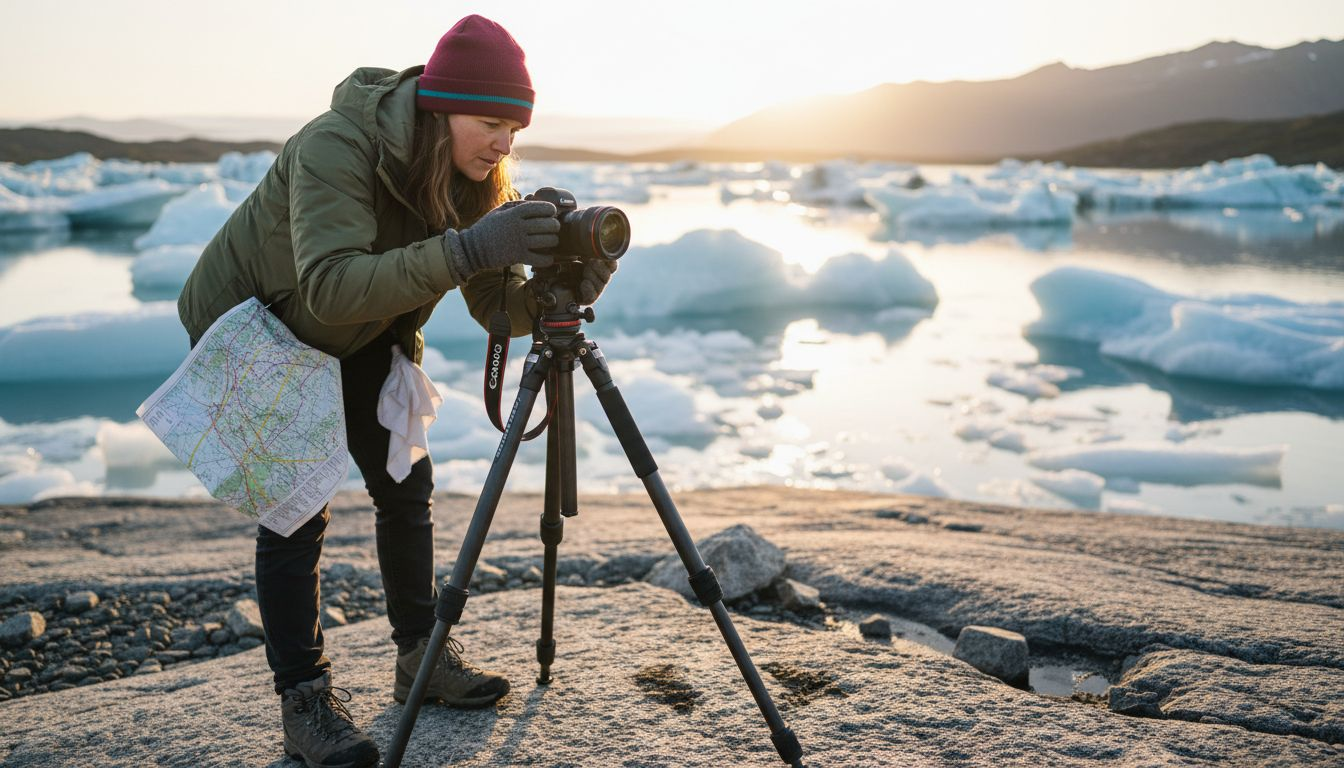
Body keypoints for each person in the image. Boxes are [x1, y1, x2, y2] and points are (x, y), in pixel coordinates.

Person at [177, 15, 615, 768]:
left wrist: (556, 292)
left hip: (363, 328)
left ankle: (421, 656)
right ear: (440, 106)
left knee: (406, 480)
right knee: (296, 510)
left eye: (515, 129)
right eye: (490, 125)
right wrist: (470, 246)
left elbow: (492, 306)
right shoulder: (334, 146)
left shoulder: (476, 178)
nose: (505, 145)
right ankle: (304, 703)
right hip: (267, 327)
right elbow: (328, 285)